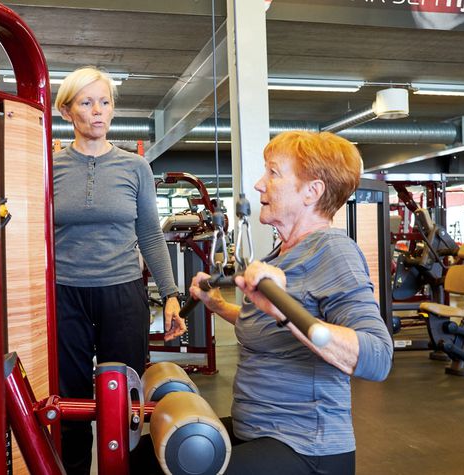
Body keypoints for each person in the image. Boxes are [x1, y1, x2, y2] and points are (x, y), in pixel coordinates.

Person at [131, 130, 393, 475]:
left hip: (304, 447)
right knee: (143, 461)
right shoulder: (282, 252)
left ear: (311, 192)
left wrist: (284, 310)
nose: (258, 184)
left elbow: (377, 356)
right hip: (255, 430)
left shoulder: (333, 250)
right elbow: (268, 325)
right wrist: (218, 305)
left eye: (273, 173)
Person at [52, 66, 186, 475]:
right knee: (69, 401)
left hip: (123, 292)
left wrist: (171, 295)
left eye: (105, 102)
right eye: (87, 102)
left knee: (125, 401)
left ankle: (121, 469)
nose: (98, 112)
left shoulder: (135, 168)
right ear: (67, 110)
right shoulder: (49, 166)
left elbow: (149, 234)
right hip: (64, 293)